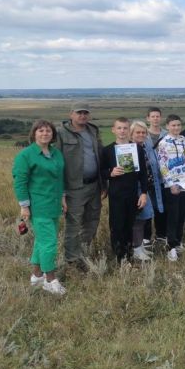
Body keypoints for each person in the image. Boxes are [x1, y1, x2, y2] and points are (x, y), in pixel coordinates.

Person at [12, 119, 67, 294]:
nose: (45, 134)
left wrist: (63, 198)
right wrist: (24, 206)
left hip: (54, 204)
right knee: (49, 242)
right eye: (41, 130)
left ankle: (36, 276)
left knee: (41, 242)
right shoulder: (26, 155)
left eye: (48, 131)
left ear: (53, 135)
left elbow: (60, 178)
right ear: (34, 133)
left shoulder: (56, 153)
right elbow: (20, 182)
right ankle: (50, 280)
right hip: (38, 205)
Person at [56, 102, 105, 273]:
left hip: (94, 185)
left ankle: (82, 253)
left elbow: (100, 154)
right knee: (74, 225)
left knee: (92, 221)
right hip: (74, 188)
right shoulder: (61, 134)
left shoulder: (93, 130)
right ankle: (71, 261)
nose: (82, 116)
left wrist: (103, 183)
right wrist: (61, 192)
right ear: (71, 114)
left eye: (85, 113)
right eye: (79, 113)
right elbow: (56, 164)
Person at [100, 117, 148, 264]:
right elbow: (101, 171)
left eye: (125, 128)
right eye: (119, 128)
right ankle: (119, 256)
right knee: (117, 225)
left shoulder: (137, 149)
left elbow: (143, 173)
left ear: (129, 130)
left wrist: (144, 193)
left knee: (130, 224)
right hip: (116, 195)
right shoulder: (107, 150)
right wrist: (110, 173)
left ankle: (128, 254)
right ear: (113, 130)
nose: (122, 131)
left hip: (133, 194)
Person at [157, 114, 185, 261]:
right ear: (167, 126)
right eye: (173, 125)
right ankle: (171, 247)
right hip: (172, 186)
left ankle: (178, 241)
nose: (176, 128)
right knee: (173, 216)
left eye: (178, 125)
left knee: (182, 215)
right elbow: (162, 165)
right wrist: (171, 184)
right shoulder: (163, 143)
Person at [130, 121, 162, 260]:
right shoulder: (128, 148)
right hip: (135, 187)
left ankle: (140, 247)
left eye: (143, 132)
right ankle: (136, 249)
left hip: (147, 186)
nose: (141, 134)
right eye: (138, 132)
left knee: (145, 216)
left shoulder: (146, 146)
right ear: (131, 134)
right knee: (139, 218)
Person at [143, 106, 167, 247]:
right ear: (148, 118)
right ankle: (146, 238)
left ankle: (161, 235)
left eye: (158, 116)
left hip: (164, 178)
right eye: (153, 116)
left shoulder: (166, 134)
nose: (155, 119)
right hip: (148, 179)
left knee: (161, 208)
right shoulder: (142, 135)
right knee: (146, 208)